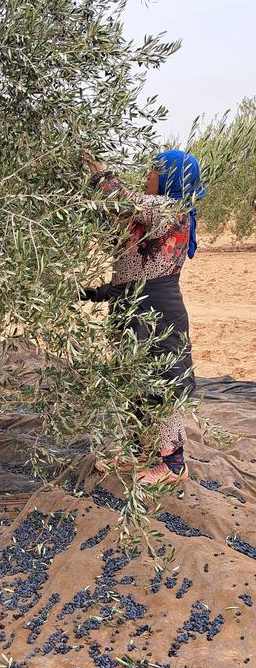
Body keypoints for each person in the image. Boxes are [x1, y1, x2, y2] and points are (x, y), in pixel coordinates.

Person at [81, 148, 205, 485]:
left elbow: (119, 201)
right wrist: (93, 292)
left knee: (164, 386)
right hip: (130, 306)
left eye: (153, 171)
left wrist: (100, 172)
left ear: (170, 177)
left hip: (158, 313)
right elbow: (128, 265)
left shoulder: (171, 209)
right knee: (131, 380)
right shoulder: (149, 216)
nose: (148, 175)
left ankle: (173, 465)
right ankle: (138, 449)